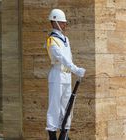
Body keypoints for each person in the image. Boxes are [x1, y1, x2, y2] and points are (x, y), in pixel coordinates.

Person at [45, 9, 86, 140]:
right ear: (55, 22)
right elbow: (62, 58)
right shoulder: (52, 40)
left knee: (68, 106)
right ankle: (52, 135)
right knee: (54, 107)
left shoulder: (66, 39)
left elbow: (69, 58)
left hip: (67, 76)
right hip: (57, 75)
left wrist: (73, 70)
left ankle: (64, 134)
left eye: (64, 22)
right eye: (62, 22)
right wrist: (76, 69)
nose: (64, 25)